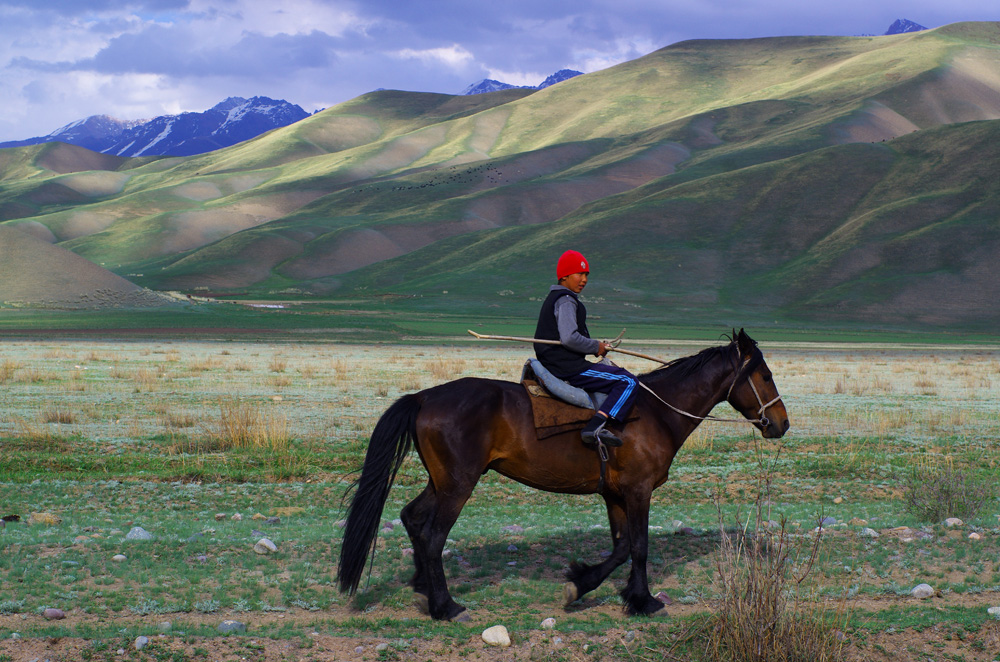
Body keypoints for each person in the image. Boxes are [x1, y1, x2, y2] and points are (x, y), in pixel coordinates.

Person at [533, 250, 638, 448]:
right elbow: (569, 338)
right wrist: (595, 346)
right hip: (568, 367)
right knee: (628, 381)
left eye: (586, 275)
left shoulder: (556, 297)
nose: (584, 280)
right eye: (579, 274)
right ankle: (596, 426)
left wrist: (597, 346)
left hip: (557, 364)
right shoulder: (565, 299)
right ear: (564, 276)